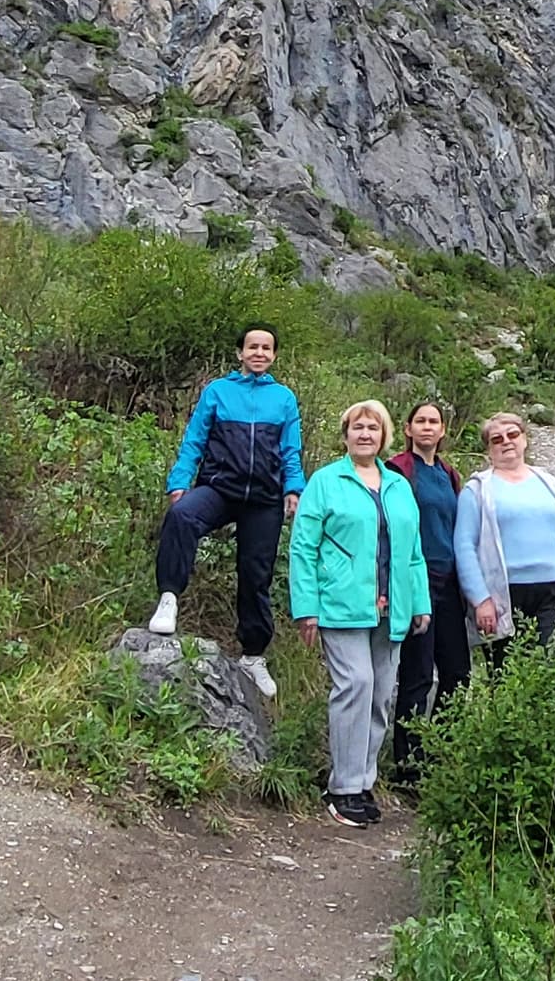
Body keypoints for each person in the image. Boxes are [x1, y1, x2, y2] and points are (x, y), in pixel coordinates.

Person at [286, 398, 428, 827]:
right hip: (341, 605)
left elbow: (413, 551)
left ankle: (364, 781)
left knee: (382, 693)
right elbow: (303, 547)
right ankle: (342, 786)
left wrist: (420, 602)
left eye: (372, 428)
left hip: (392, 608)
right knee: (356, 685)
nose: (364, 434)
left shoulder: (398, 485)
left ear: (385, 436)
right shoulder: (327, 482)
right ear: (345, 435)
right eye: (357, 427)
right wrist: (305, 608)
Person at [151, 326, 302, 700]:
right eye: (253, 346)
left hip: (264, 498)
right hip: (220, 488)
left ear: (274, 356)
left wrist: (294, 488)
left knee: (256, 573)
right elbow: (194, 439)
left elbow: (290, 451)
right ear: (240, 352)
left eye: (267, 348)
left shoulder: (284, 398)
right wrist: (180, 480)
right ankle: (169, 597)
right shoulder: (218, 391)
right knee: (183, 516)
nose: (259, 353)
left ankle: (253, 655)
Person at [384, 400, 470, 787]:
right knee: (417, 674)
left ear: (443, 430)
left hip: (449, 581)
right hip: (415, 580)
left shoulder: (450, 474)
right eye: (420, 421)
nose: (427, 427)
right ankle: (408, 765)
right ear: (407, 428)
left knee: (457, 672)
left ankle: (440, 752)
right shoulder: (398, 471)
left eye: (434, 421)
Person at [455, 412, 555, 658]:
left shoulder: (548, 482)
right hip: (504, 596)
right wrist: (480, 599)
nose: (506, 442)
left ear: (524, 439)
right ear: (489, 449)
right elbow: (464, 546)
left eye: (512, 435)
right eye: (497, 439)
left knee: (546, 671)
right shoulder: (477, 490)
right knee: (505, 676)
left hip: (549, 592)